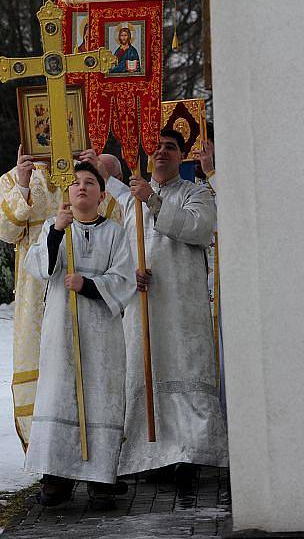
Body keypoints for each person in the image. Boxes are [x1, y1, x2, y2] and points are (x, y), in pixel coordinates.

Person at [101, 128, 228, 483]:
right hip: (143, 302)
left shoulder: (197, 193)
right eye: (155, 147)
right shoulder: (128, 201)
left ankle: (190, 452)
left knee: (184, 369)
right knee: (146, 370)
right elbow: (118, 248)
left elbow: (198, 229)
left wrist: (153, 202)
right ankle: (148, 453)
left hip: (183, 305)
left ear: (182, 155)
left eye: (170, 148)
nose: (161, 153)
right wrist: (129, 274)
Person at [0, 146, 123, 450]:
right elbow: (5, 231)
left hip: (85, 285)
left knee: (88, 365)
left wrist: (98, 176)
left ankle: (94, 452)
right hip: (37, 293)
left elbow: (116, 220)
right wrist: (23, 185)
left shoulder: (85, 177)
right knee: (42, 367)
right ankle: (46, 455)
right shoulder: (14, 178)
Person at [23, 162, 135, 507]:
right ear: (67, 193)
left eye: (90, 182)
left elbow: (125, 277)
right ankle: (56, 475)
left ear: (102, 195)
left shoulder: (115, 232)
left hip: (99, 330)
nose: (81, 187)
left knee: (99, 393)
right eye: (75, 183)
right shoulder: (52, 228)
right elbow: (39, 266)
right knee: (60, 391)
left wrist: (87, 284)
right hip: (62, 328)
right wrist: (57, 231)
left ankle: (100, 477)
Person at [193, 126, 226, 419]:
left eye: (207, 146)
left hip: (227, 288)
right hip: (195, 286)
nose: (201, 153)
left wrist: (212, 172)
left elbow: (234, 210)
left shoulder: (226, 179)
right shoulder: (186, 186)